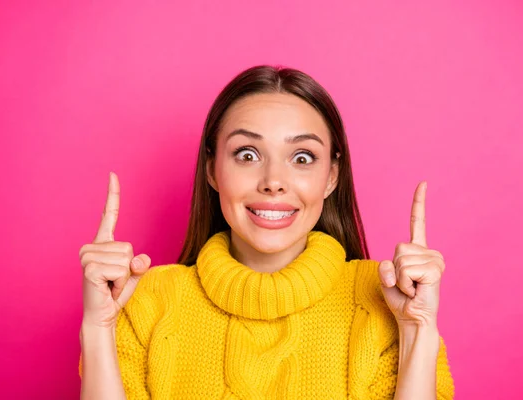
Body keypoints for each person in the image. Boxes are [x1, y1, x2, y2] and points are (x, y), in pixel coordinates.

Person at [78, 65, 455, 399]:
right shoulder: (146, 303)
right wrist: (98, 328)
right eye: (247, 154)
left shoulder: (386, 301)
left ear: (331, 177)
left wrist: (415, 330)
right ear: (211, 170)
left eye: (302, 158)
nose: (273, 181)